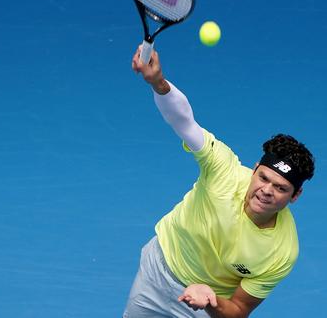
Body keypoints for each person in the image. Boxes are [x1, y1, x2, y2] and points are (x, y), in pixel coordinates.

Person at [123, 47, 315, 318]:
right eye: (264, 178)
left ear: (295, 196)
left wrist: (210, 301)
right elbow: (184, 123)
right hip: (157, 270)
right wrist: (157, 82)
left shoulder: (282, 251)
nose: (267, 191)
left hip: (206, 304)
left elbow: (238, 309)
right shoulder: (223, 168)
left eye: (281, 188)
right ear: (255, 169)